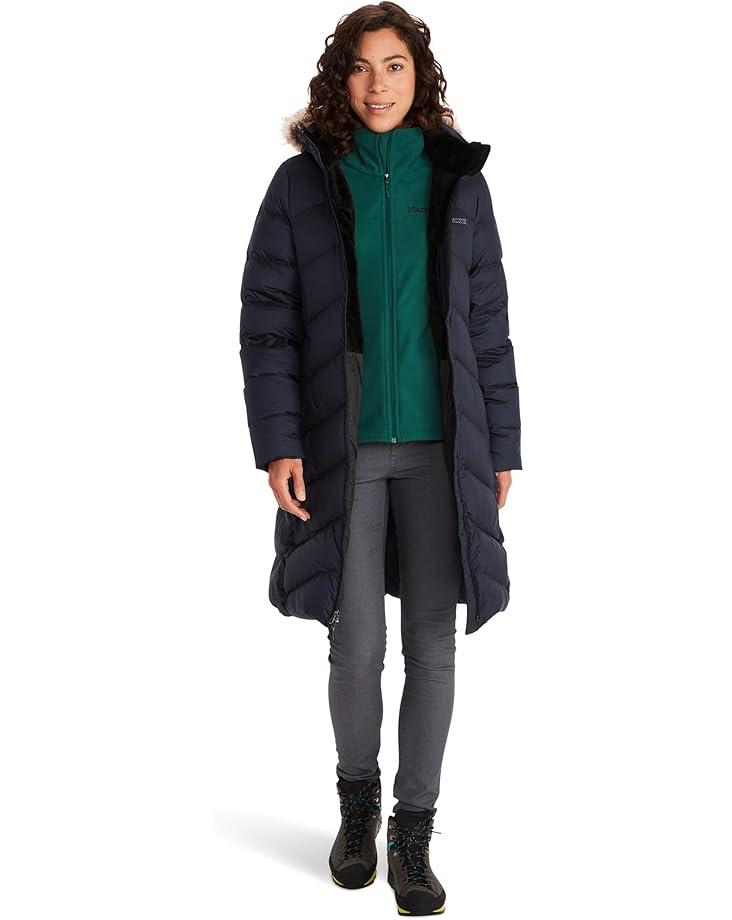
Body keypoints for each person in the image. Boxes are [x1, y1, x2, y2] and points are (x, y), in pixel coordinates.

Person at [239, 3, 522, 914]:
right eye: (361, 67)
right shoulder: (301, 185)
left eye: (394, 65)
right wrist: (280, 442)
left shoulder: (460, 184)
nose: (377, 85)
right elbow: (268, 324)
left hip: (444, 448)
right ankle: (356, 805)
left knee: (433, 643)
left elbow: (488, 325)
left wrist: (503, 445)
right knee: (356, 643)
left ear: (419, 76)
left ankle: (413, 831)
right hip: (343, 447)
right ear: (340, 78)